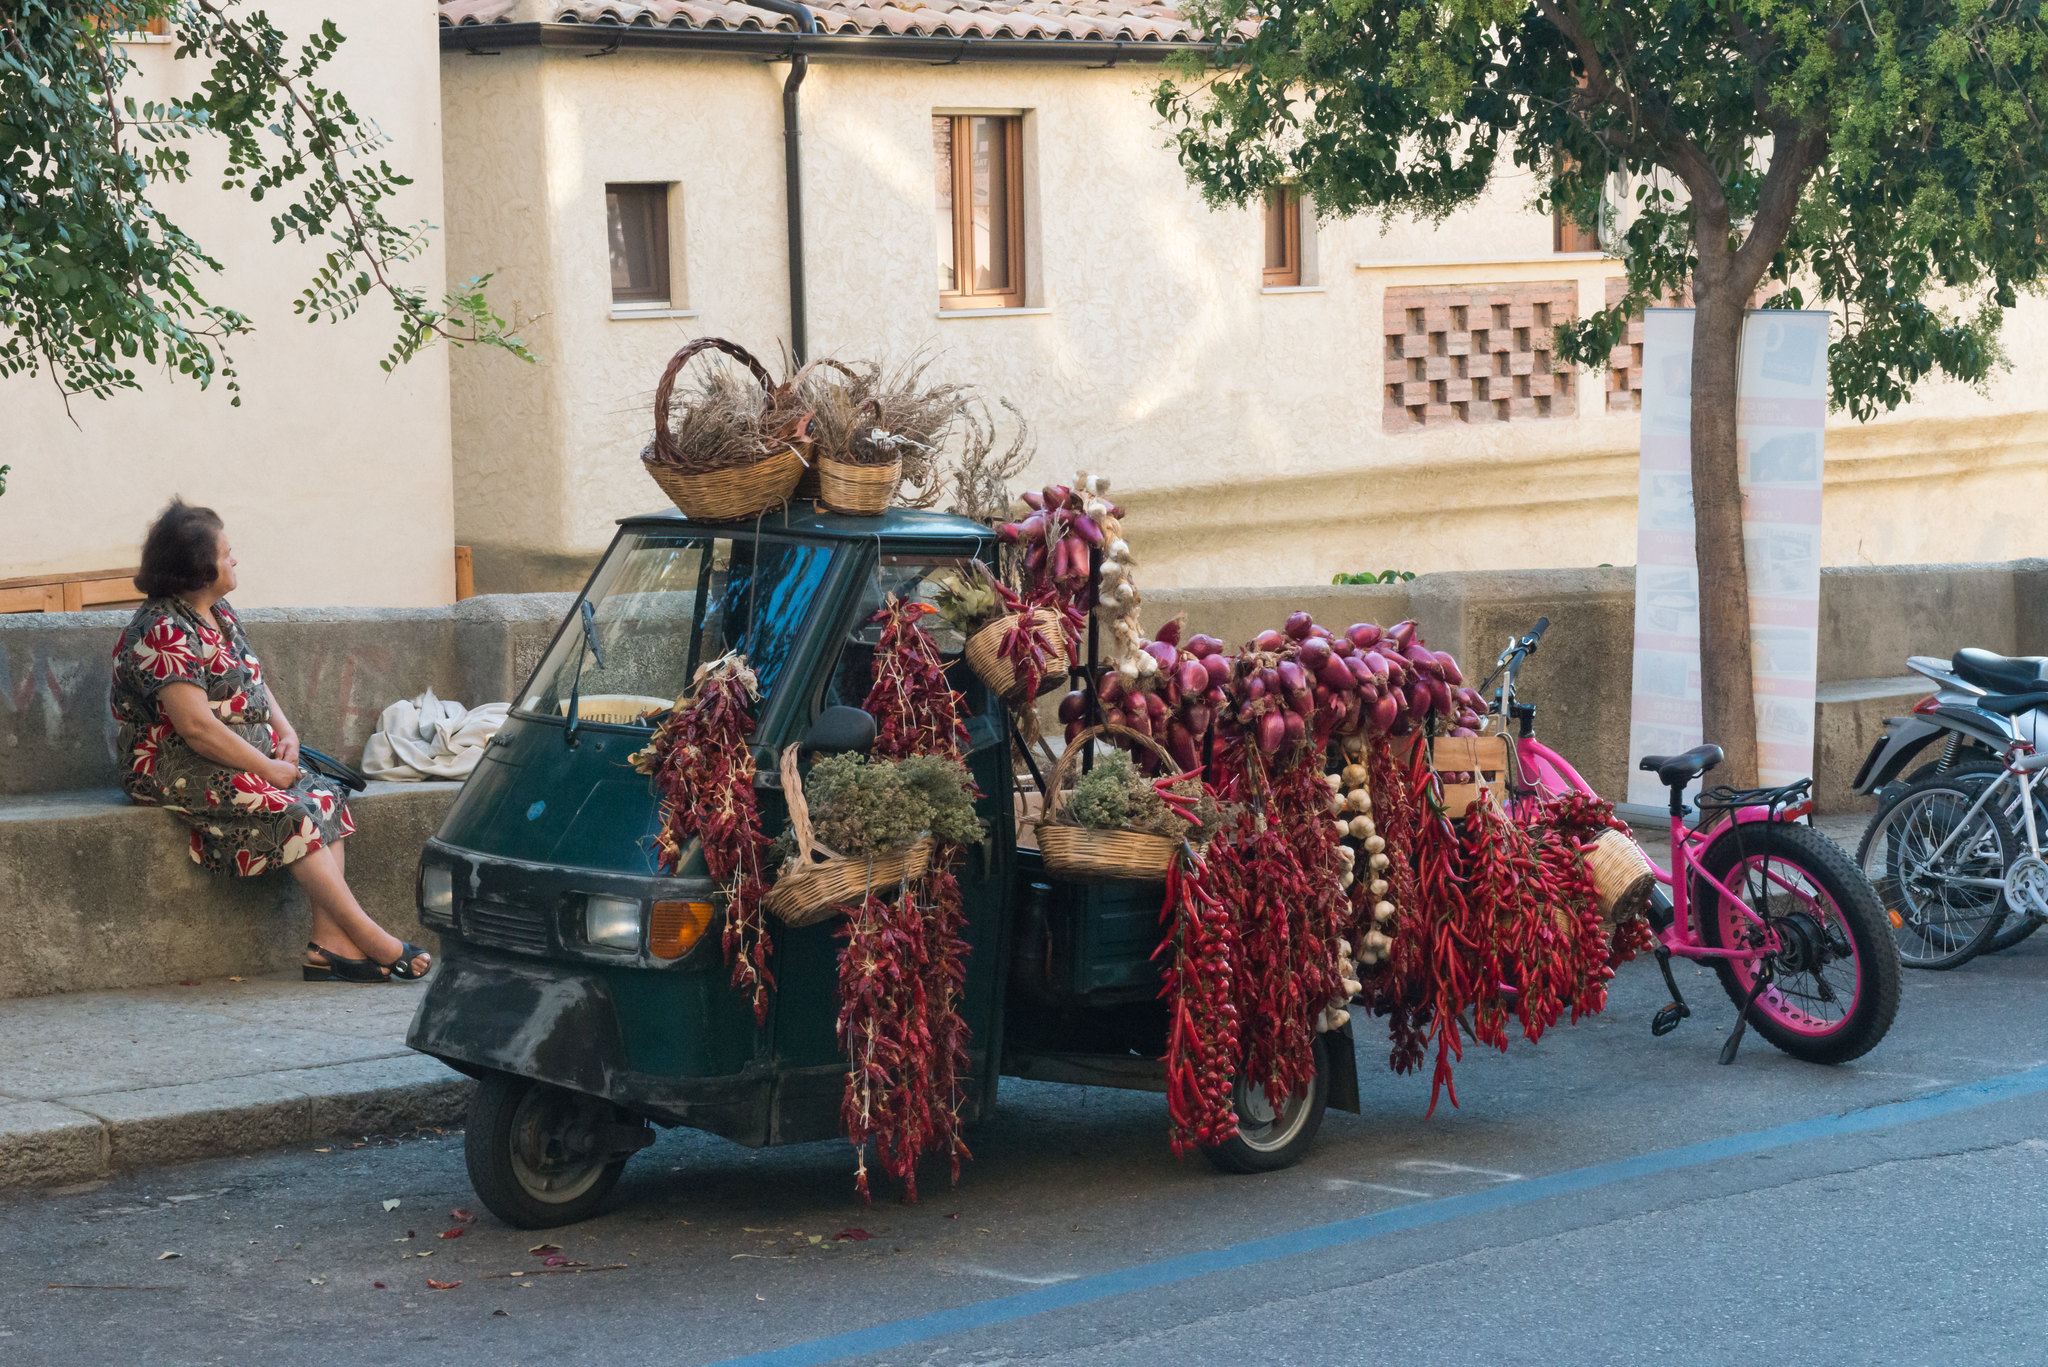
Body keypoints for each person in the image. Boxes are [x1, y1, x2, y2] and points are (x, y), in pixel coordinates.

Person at [110, 500, 431, 984]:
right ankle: (370, 938)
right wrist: (265, 769)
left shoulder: (218, 613)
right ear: (200, 569)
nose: (234, 560)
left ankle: (326, 946)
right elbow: (196, 728)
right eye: (226, 553)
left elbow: (254, 682)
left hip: (237, 755)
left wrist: (286, 733)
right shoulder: (162, 631)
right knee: (287, 808)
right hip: (173, 766)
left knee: (324, 794)